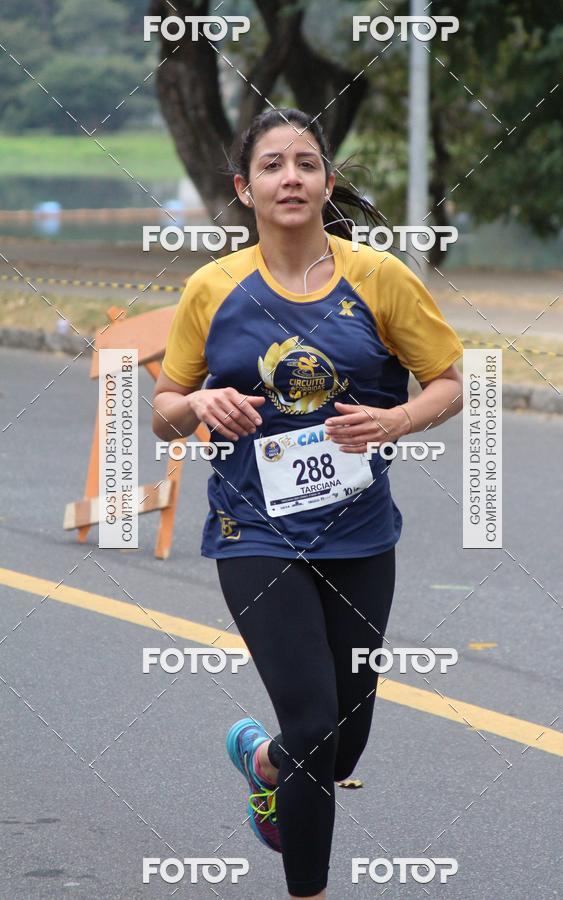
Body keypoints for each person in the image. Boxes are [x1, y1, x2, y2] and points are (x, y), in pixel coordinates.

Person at [152, 107, 464, 899]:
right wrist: (199, 407)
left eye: (305, 163)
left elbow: (451, 382)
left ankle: (263, 762)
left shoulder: (381, 278)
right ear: (243, 188)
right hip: (250, 529)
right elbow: (163, 410)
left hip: (360, 533)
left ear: (327, 182)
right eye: (271, 165)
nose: (290, 177)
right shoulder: (212, 288)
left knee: (341, 747)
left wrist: (397, 418)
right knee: (315, 722)